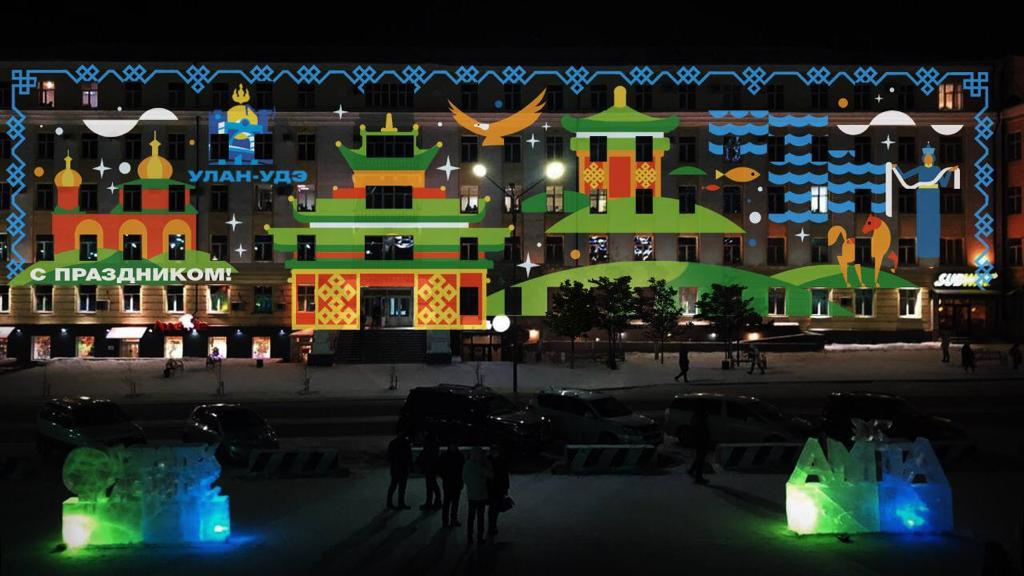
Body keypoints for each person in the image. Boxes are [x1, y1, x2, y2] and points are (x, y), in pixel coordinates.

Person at [462, 446, 492, 544]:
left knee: (471, 517)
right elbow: (491, 474)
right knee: (480, 517)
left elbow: (465, 479)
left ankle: (469, 537)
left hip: (471, 495)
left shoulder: (467, 464)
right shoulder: (480, 465)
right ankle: (479, 538)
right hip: (481, 495)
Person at [486, 446, 511, 539]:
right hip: (494, 488)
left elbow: (505, 475)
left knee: (494, 508)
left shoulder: (490, 461)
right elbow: (504, 475)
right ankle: (492, 526)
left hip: (495, 488)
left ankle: (492, 525)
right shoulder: (495, 461)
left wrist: (506, 488)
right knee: (494, 508)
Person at [438, 443, 464, 528]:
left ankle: (449, 521)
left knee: (451, 503)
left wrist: (444, 476)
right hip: (452, 482)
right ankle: (449, 521)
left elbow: (440, 468)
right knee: (449, 503)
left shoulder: (445, 455)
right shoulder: (460, 456)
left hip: (452, 482)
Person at [386, 431, 413, 510]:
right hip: (402, 467)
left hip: (396, 467)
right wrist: (410, 465)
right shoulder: (405, 443)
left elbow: (389, 456)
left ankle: (390, 502)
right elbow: (409, 455)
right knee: (401, 486)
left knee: (394, 485)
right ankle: (400, 503)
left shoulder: (393, 443)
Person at [687, 404, 711, 485]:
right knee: (701, 458)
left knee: (699, 457)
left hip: (699, 440)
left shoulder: (696, 418)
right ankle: (698, 477)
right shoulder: (700, 419)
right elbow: (702, 431)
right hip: (701, 441)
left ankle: (692, 471)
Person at [418, 432, 442, 511]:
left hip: (430, 468)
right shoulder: (434, 445)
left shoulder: (429, 446)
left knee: (431, 486)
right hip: (432, 468)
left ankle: (431, 502)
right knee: (433, 485)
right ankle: (435, 502)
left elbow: (425, 456)